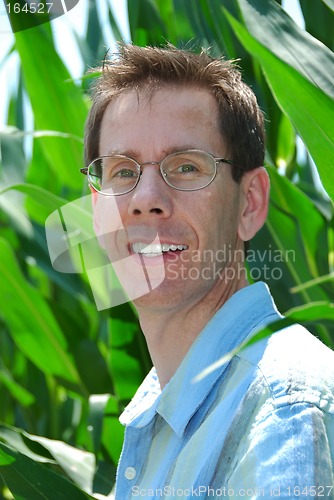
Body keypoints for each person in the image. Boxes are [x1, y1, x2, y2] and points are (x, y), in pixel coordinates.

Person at [81, 44, 334, 499]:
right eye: (122, 171)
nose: (145, 197)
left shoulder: (282, 410)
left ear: (249, 202)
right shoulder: (163, 410)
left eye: (186, 166)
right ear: (98, 214)